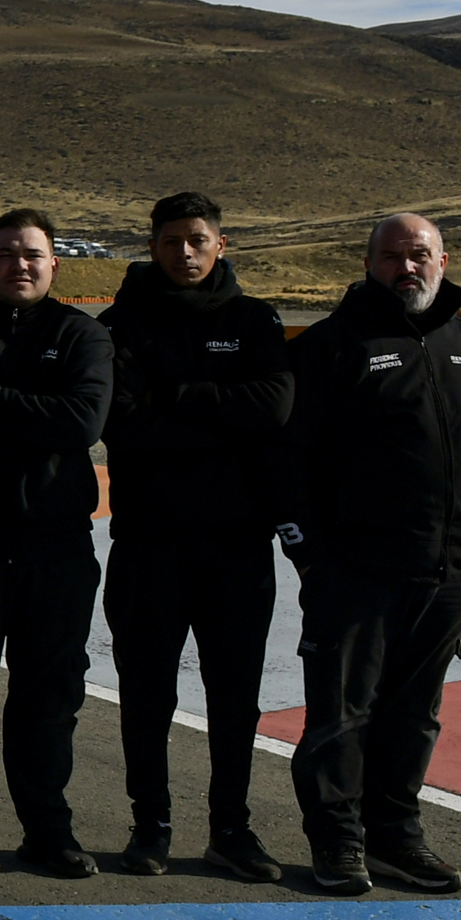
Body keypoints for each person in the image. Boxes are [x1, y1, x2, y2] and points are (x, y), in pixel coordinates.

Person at [276, 213, 461, 896]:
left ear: (443, 261)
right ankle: (338, 842)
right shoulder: (330, 346)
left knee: (415, 713)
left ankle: (395, 838)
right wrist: (312, 558)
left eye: (419, 255)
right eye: (391, 256)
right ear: (368, 264)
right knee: (342, 714)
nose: (406, 268)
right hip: (355, 573)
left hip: (455, 572)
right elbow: (289, 465)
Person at [99, 191, 292, 879]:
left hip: (239, 544)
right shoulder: (119, 325)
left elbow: (274, 406)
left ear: (221, 244)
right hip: (148, 541)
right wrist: (223, 417)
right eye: (171, 241)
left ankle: (231, 830)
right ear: (152, 246)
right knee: (147, 690)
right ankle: (149, 824)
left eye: (198, 239)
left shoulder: (254, 320)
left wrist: (174, 396)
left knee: (235, 695)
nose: (185, 252)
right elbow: (123, 425)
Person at [0, 209, 115, 878]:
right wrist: (18, 409)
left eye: (33, 254)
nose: (20, 264)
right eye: (7, 253)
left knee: (49, 695)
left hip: (57, 547)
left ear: (54, 264)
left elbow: (81, 423)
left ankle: (47, 829)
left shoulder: (81, 334)